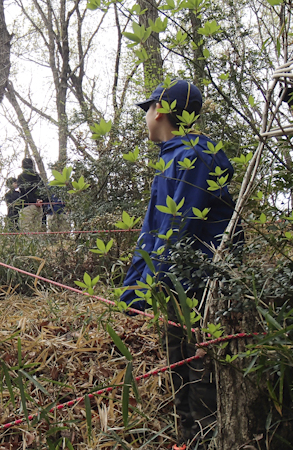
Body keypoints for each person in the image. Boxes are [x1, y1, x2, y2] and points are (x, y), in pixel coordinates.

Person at [120, 80, 238, 448]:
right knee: (178, 363)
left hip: (198, 284)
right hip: (174, 284)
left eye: (148, 109)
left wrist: (153, 280)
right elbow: (153, 228)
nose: (146, 119)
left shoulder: (193, 157)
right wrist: (133, 286)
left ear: (161, 110)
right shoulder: (172, 157)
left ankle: (206, 439)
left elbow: (180, 226)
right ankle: (188, 438)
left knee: (199, 362)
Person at [17, 157, 45, 232]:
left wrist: (34, 200)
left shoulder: (21, 177)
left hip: (27, 206)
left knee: (26, 230)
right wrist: (40, 200)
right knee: (36, 231)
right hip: (39, 206)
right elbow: (43, 189)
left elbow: (23, 191)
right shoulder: (38, 176)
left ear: (22, 166)